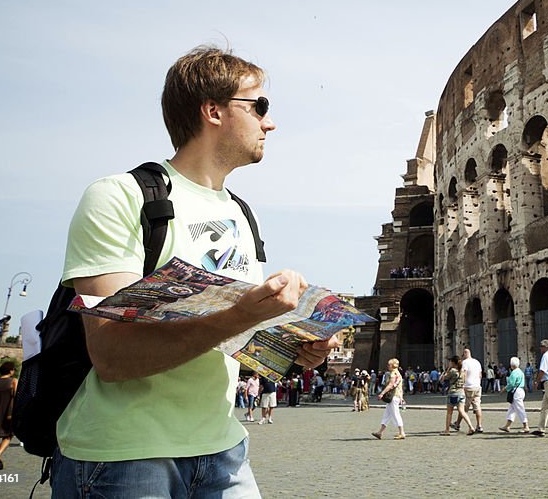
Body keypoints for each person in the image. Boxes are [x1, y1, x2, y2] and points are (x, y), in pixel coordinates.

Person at [51, 46, 337, 497]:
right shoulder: (119, 197)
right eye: (259, 105)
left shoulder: (241, 213)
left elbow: (228, 341)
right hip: (124, 456)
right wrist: (243, 314)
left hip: (225, 449)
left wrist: (295, 348)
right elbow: (111, 356)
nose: (270, 121)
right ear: (213, 111)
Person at [372, 358, 405, 440]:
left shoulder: (393, 374)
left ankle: (402, 432)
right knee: (387, 415)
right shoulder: (398, 374)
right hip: (396, 396)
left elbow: (390, 385)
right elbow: (400, 387)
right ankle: (380, 432)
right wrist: (401, 397)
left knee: (396, 414)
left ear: (393, 365)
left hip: (393, 397)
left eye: (389, 364)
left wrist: (382, 393)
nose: (387, 366)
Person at [441, 355, 473, 435]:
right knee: (462, 411)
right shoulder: (463, 371)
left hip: (453, 393)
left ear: (453, 363)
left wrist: (448, 369)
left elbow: (443, 378)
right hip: (461, 393)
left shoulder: (452, 371)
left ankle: (447, 430)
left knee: (449, 412)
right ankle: (471, 427)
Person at [499, 357, 530, 433]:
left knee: (520, 409)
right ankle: (507, 426)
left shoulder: (514, 373)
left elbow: (511, 384)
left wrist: (504, 389)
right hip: (520, 390)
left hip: (516, 392)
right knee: (512, 409)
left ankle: (526, 426)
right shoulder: (520, 372)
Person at [461, 348, 485, 434]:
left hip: (468, 387)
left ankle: (467, 426)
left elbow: (464, 374)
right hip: (477, 386)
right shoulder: (477, 362)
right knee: (477, 407)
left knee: (463, 408)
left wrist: (462, 385)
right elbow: (480, 375)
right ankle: (479, 426)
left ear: (464, 354)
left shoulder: (465, 362)